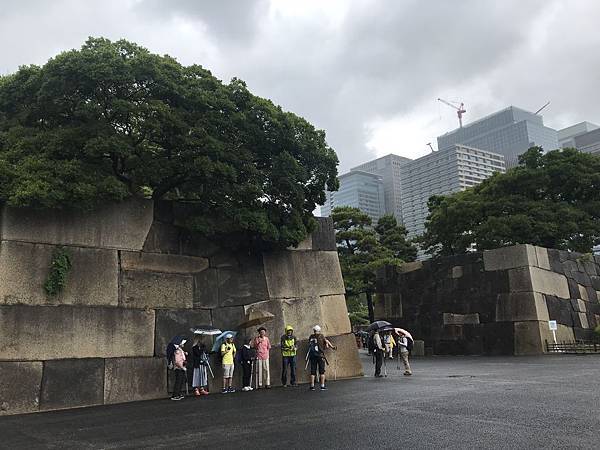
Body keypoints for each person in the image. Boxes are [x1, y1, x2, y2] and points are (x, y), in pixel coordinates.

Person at [307, 325, 336, 391]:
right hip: (320, 355)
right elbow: (326, 341)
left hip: (312, 355)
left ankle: (312, 386)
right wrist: (331, 346)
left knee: (313, 371)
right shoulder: (321, 336)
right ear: (319, 331)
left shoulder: (311, 337)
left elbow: (309, 344)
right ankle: (322, 386)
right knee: (322, 371)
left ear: (314, 330)